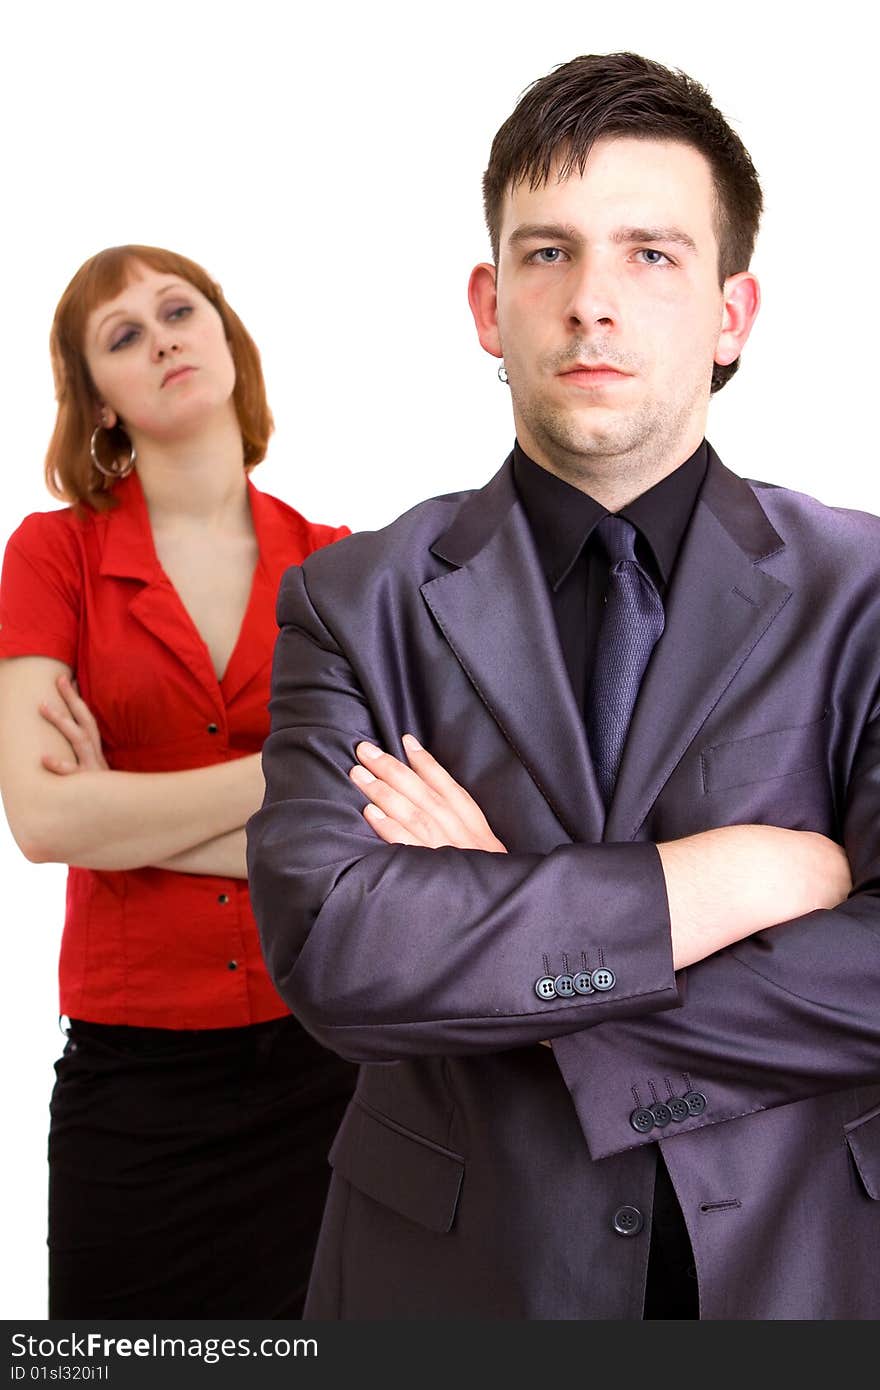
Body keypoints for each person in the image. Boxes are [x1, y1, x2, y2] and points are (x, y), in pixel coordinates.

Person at [246, 52, 880, 1321]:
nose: (592, 302)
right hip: (455, 1277)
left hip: (799, 1273)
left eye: (651, 254)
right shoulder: (350, 599)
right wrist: (733, 879)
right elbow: (334, 946)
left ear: (731, 313)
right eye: (548, 254)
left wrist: (515, 955)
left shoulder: (864, 590)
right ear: (489, 304)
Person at [0, 245, 356, 1318]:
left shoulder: (338, 564)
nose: (160, 337)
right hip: (136, 1078)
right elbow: (41, 814)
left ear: (226, 341)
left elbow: (368, 832)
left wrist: (119, 810)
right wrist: (288, 781)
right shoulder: (52, 557)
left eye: (178, 310)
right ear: (97, 403)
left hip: (326, 1062)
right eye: (122, 334)